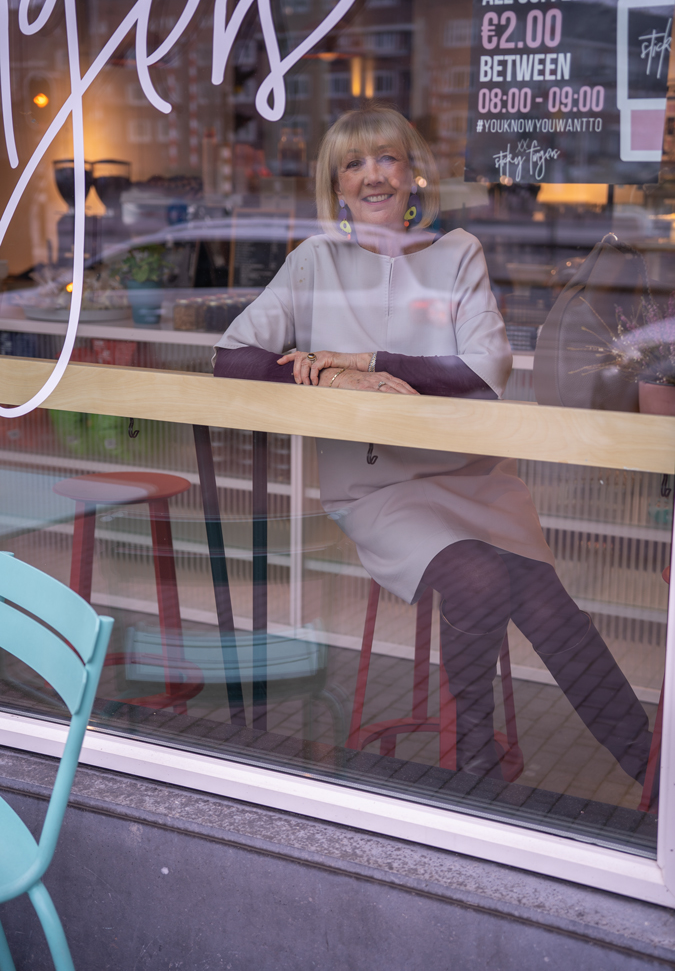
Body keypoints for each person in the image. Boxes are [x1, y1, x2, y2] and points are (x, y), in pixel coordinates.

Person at [214, 104, 652, 783]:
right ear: (335, 187)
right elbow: (229, 358)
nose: (371, 175)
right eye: (352, 164)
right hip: (379, 489)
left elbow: (483, 370)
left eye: (385, 158)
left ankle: (649, 768)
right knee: (478, 575)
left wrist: (364, 357)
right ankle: (473, 760)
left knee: (543, 599)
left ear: (413, 173)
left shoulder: (457, 251)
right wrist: (314, 368)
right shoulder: (313, 261)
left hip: (475, 475)